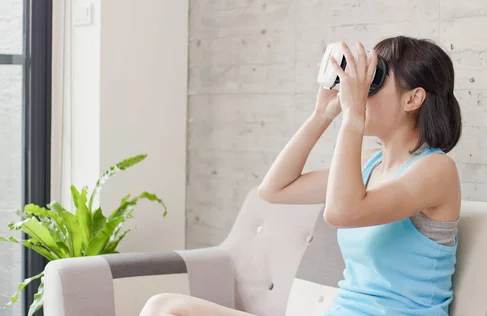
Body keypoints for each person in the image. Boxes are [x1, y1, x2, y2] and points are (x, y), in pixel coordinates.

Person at [140, 35, 462, 316]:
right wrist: (322, 115)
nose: (361, 92)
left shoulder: (435, 171)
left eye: (373, 82)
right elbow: (273, 191)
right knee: (163, 306)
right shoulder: (368, 164)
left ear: (413, 98)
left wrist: (352, 117)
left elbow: (341, 212)